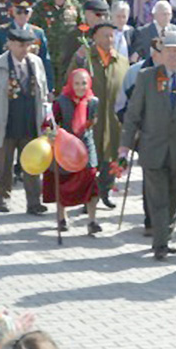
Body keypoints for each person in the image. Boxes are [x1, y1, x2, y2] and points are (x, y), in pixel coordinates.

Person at [119, 31, 176, 261]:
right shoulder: (147, 77)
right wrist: (125, 146)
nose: (173, 56)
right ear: (161, 54)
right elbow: (133, 114)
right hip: (152, 148)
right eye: (169, 51)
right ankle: (160, 243)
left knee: (175, 198)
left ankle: (165, 236)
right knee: (158, 199)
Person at [67, 22, 130, 208]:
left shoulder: (122, 61)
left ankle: (106, 190)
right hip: (91, 119)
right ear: (94, 37)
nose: (109, 39)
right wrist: (78, 60)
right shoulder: (86, 58)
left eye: (112, 35)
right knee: (90, 158)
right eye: (105, 35)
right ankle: (88, 197)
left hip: (114, 119)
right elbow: (70, 80)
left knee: (111, 157)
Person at [0, 28, 48, 213]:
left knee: (32, 163)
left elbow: (43, 92)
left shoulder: (36, 62)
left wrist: (45, 119)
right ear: (10, 44)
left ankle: (34, 202)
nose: (25, 49)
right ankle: (4, 198)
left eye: (28, 45)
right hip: (7, 121)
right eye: (21, 45)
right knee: (5, 164)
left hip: (30, 120)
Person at [42, 69, 101, 235]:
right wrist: (52, 134)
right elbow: (48, 125)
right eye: (77, 83)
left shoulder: (93, 101)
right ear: (70, 84)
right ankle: (62, 217)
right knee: (63, 181)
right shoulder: (61, 102)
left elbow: (93, 122)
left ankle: (92, 221)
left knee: (91, 179)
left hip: (86, 145)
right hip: (66, 147)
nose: (81, 87)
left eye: (84, 83)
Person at [0, 0, 54, 94]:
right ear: (12, 12)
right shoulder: (0, 32)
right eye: (19, 12)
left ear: (31, 13)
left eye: (26, 12)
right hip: (5, 85)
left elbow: (45, 61)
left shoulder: (38, 33)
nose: (22, 16)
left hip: (31, 84)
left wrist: (49, 88)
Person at [29, 0, 83, 91]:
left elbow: (83, 28)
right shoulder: (41, 7)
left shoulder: (75, 6)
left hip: (68, 59)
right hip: (48, 58)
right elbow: (33, 30)